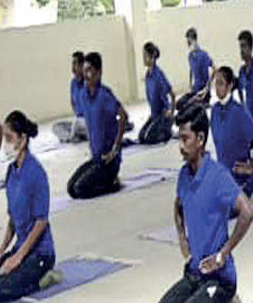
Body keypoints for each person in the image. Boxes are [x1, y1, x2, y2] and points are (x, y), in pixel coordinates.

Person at [150, 106, 253, 303]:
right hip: (194, 273)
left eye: (185, 138)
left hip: (219, 279)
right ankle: (200, 299)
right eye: (179, 138)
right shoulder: (183, 176)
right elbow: (178, 208)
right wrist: (183, 244)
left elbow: (247, 211)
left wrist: (223, 253)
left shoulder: (217, 176)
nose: (180, 145)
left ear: (200, 139)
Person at [0, 111, 56, 302]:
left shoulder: (36, 173)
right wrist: (2, 250)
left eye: (10, 138)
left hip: (39, 253)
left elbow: (41, 221)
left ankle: (44, 278)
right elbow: (12, 218)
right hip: (20, 247)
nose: (7, 145)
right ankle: (16, 267)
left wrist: (18, 257)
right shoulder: (11, 172)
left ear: (23, 139)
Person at [67, 52, 127, 199]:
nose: (85, 75)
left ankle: (112, 184)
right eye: (84, 70)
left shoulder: (104, 95)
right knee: (71, 188)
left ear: (99, 73)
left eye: (89, 70)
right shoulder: (83, 95)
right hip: (96, 158)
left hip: (108, 160)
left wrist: (115, 148)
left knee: (80, 189)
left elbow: (122, 116)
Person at [210, 66, 253, 203]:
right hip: (223, 175)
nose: (217, 88)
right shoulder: (215, 111)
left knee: (224, 209)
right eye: (215, 83)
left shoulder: (238, 111)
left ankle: (244, 196)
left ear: (230, 86)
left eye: (221, 83)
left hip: (240, 175)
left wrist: (251, 165)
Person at [139, 42, 175, 145]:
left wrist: (171, 113)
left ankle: (166, 130)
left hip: (162, 115)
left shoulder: (159, 75)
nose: (143, 58)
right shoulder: (147, 75)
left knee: (149, 139)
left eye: (145, 56)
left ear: (152, 57)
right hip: (154, 114)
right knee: (141, 136)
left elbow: (172, 94)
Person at [52, 52, 88, 143]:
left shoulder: (88, 82)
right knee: (56, 127)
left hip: (89, 121)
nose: (73, 67)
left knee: (77, 124)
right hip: (79, 121)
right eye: (73, 64)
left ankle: (74, 136)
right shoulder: (73, 83)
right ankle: (75, 136)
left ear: (81, 66)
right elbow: (73, 102)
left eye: (75, 64)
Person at [178, 27, 213, 113]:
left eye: (189, 42)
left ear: (194, 40)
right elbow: (191, 70)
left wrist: (207, 87)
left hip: (202, 92)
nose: (188, 44)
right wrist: (190, 84)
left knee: (186, 108)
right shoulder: (190, 56)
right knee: (179, 104)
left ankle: (202, 104)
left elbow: (215, 69)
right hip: (195, 90)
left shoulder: (203, 55)